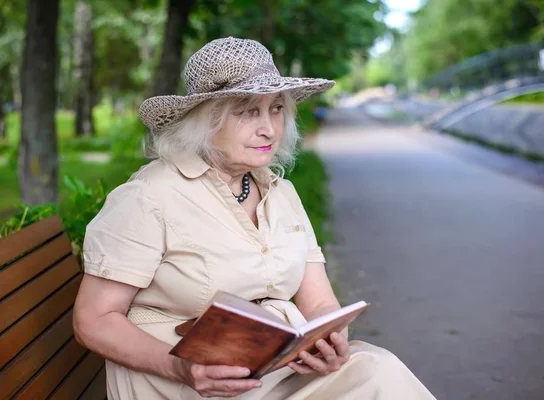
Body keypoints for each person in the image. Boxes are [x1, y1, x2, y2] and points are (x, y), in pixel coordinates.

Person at [73, 37, 435, 399]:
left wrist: (330, 342)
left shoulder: (281, 194)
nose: (270, 129)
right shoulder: (149, 197)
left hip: (276, 373)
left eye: (276, 109)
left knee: (377, 370)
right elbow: (94, 320)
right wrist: (180, 368)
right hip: (189, 385)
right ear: (205, 121)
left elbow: (320, 303)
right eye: (248, 111)